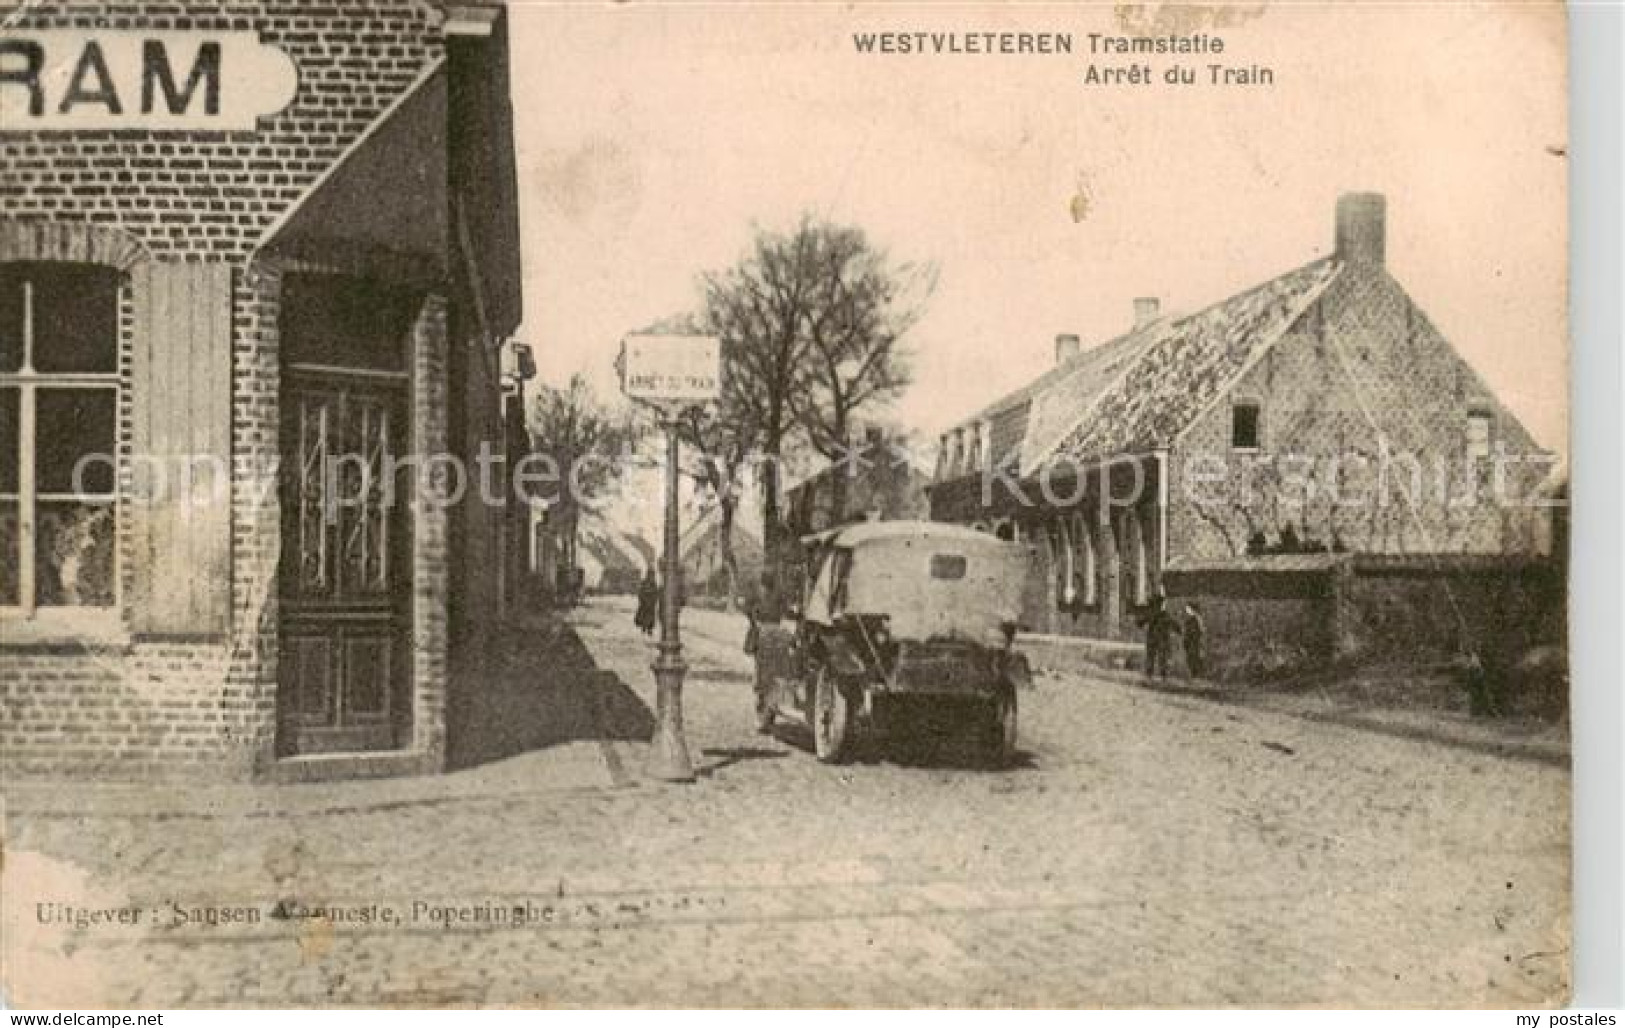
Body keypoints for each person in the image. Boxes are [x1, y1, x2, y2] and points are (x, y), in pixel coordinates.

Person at [1137, 593, 1181, 680]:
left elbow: (1140, 623)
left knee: (1151, 656)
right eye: (1163, 603)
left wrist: (1141, 623)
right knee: (1161, 656)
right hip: (1161, 638)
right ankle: (1162, 675)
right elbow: (1173, 623)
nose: (1164, 605)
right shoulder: (1164, 614)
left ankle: (1149, 674)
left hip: (1152, 637)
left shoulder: (1151, 613)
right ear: (1160, 604)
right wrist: (1178, 630)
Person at [1181, 601, 1206, 679]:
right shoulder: (1193, 619)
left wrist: (1188, 638)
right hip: (1191, 642)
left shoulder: (1195, 619)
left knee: (1194, 658)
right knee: (1191, 658)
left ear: (1192, 609)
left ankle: (1196, 676)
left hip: (1193, 642)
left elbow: (1196, 632)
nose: (1186, 610)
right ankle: (1195, 676)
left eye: (1188, 608)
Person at [634, 568, 658, 636]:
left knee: (650, 617)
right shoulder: (644, 582)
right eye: (651, 574)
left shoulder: (654, 583)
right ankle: (644, 627)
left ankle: (649, 629)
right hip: (645, 602)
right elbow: (640, 592)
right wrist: (642, 600)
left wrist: (654, 600)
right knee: (644, 616)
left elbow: (656, 593)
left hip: (650, 603)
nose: (652, 576)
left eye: (652, 575)